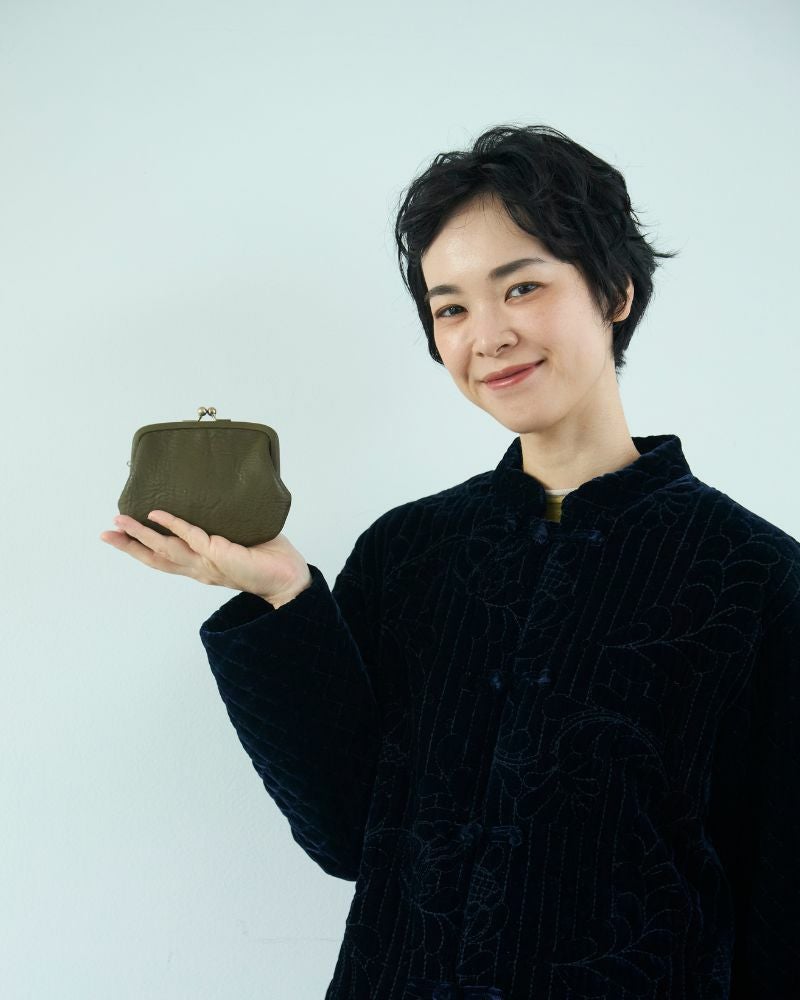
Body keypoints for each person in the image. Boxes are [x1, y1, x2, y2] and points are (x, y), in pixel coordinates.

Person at [100, 124, 799, 999]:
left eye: (523, 287)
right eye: (452, 308)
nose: (489, 336)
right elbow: (348, 836)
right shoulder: (409, 552)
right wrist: (286, 599)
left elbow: (783, 907)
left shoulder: (754, 576)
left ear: (615, 290)